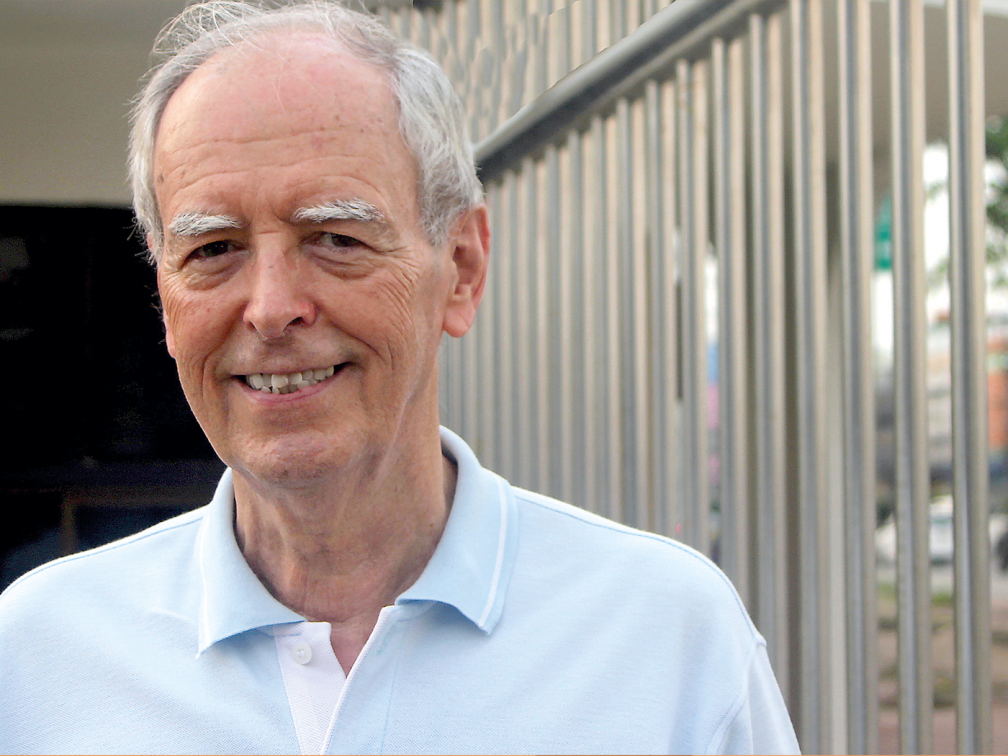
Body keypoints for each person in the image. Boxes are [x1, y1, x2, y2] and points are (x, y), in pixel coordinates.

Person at [0, 2, 799, 753]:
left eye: (336, 238)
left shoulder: (666, 638)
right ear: (167, 303)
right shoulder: (38, 657)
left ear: (461, 269)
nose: (272, 308)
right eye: (213, 250)